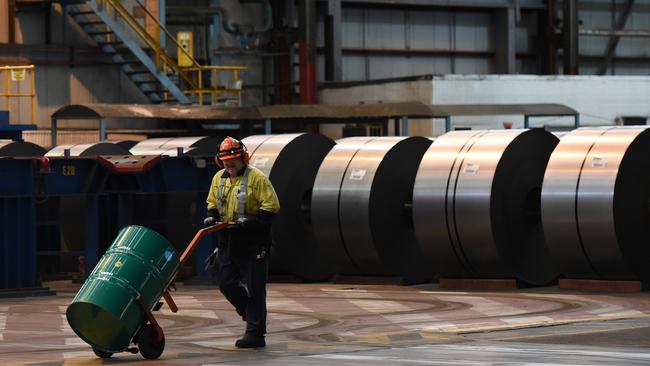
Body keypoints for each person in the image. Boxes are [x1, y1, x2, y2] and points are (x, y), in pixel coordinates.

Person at [204, 136, 280, 349]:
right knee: (226, 282)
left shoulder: (257, 179)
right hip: (228, 241)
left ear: (244, 158)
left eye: (233, 160)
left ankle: (255, 334)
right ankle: (250, 314)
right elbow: (212, 202)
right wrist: (211, 215)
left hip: (254, 242)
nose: (229, 164)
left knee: (256, 289)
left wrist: (251, 222)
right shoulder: (219, 178)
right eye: (225, 161)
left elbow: (271, 207)